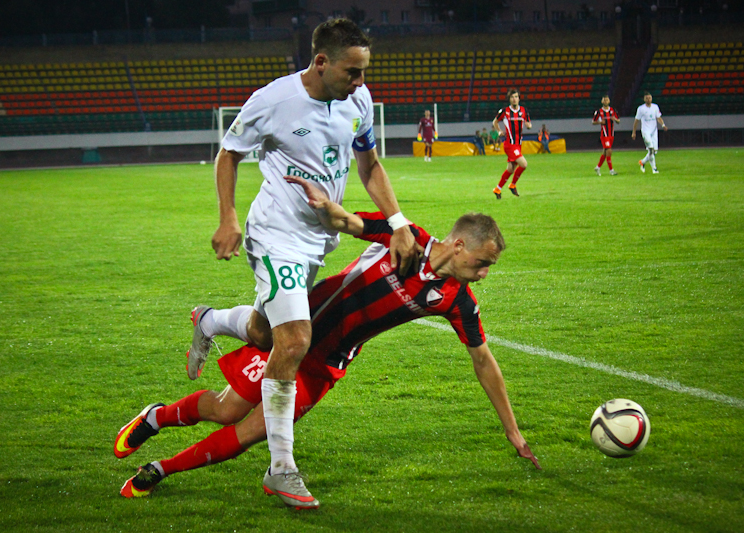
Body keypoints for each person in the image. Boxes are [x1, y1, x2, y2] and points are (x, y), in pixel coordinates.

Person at [114, 176, 541, 504]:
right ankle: (156, 417)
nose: (483, 274)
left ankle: (160, 469)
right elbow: (349, 222)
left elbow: (483, 361)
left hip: (325, 365)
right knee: (226, 410)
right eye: (482, 263)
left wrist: (513, 432)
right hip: (295, 332)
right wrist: (323, 203)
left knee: (249, 434)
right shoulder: (405, 237)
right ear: (460, 245)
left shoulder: (457, 301)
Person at [207, 18, 418, 509]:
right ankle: (281, 468)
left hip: (318, 240)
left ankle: (211, 319)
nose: (361, 82)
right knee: (296, 340)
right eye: (353, 72)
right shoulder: (274, 100)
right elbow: (228, 154)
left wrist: (398, 221)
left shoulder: (357, 102)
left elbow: (369, 165)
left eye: (364, 72)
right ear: (321, 62)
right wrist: (228, 217)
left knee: (265, 335)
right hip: (275, 234)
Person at [491, 88, 532, 199]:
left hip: (518, 144)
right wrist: (499, 131)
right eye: (512, 97)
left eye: (516, 97)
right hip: (510, 144)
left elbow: (528, 123)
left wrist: (529, 126)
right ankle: (512, 185)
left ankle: (497, 189)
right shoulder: (505, 111)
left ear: (519, 98)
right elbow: (495, 121)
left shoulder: (524, 110)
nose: (514, 99)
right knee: (523, 164)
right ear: (509, 99)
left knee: (510, 169)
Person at [632, 91, 667, 174]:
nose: (648, 99)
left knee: (654, 151)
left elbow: (658, 117)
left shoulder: (655, 107)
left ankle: (642, 162)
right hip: (645, 131)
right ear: (644, 99)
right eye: (647, 98)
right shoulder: (641, 109)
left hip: (654, 131)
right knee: (651, 149)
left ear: (651, 98)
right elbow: (636, 120)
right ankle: (654, 169)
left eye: (649, 98)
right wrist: (634, 132)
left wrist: (663, 125)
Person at [592, 95, 620, 176]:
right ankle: (611, 170)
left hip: (611, 134)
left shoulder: (613, 110)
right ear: (602, 101)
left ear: (609, 101)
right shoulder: (599, 111)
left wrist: (615, 119)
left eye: (607, 100)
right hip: (604, 135)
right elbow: (593, 122)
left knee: (605, 152)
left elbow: (618, 121)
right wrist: (600, 122)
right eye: (604, 100)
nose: (605, 101)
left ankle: (598, 167)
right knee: (609, 151)